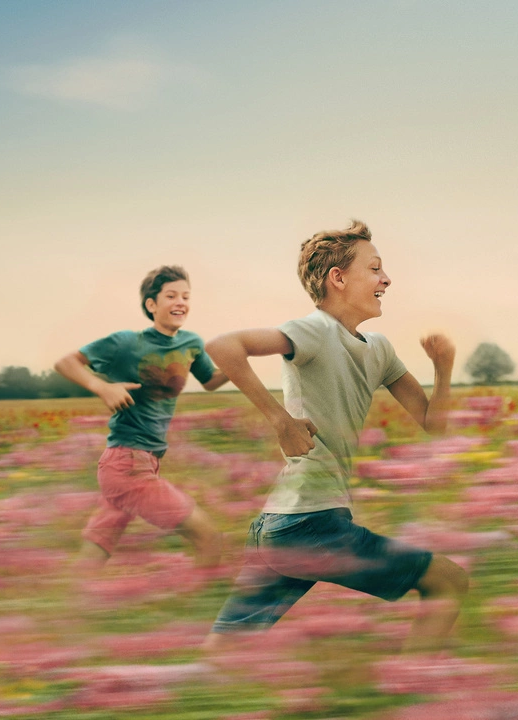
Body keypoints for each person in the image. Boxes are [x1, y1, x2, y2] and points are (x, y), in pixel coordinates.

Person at [203, 219, 468, 654]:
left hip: (284, 525)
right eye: (375, 268)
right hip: (311, 525)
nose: (386, 279)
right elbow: (224, 346)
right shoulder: (315, 329)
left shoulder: (378, 348)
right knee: (448, 581)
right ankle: (408, 694)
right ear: (338, 279)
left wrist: (443, 368)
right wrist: (280, 420)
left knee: (227, 654)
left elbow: (432, 423)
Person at [55, 265, 228, 571]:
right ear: (152, 304)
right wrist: (102, 387)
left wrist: (244, 358)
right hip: (127, 465)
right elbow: (66, 362)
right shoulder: (125, 342)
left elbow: (211, 380)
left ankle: (70, 602)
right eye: (171, 295)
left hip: (140, 462)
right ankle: (198, 612)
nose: (180, 302)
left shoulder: (191, 344)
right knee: (209, 537)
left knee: (97, 547)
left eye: (186, 296)